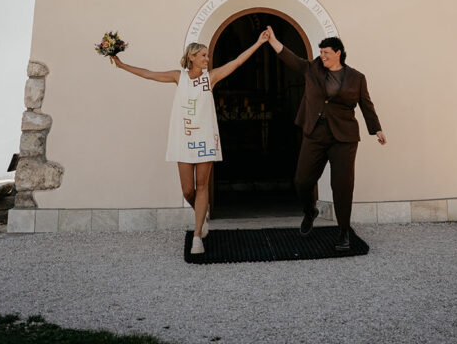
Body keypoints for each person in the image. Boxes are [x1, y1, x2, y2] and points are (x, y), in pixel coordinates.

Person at [112, 30, 269, 254]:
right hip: (184, 139)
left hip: (204, 138)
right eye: (203, 55)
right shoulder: (179, 77)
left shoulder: (211, 77)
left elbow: (236, 62)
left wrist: (258, 42)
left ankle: (197, 236)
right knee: (188, 190)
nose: (207, 58)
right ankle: (200, 214)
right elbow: (149, 74)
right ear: (192, 57)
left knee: (202, 185)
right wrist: (122, 65)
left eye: (207, 55)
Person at [264, 25, 386, 251]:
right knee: (302, 181)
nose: (322, 56)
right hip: (315, 134)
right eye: (321, 53)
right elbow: (291, 58)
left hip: (344, 138)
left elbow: (366, 105)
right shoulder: (312, 68)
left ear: (338, 52)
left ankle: (343, 232)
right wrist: (273, 39)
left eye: (326, 53)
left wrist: (376, 129)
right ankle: (310, 211)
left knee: (342, 186)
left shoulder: (357, 78)